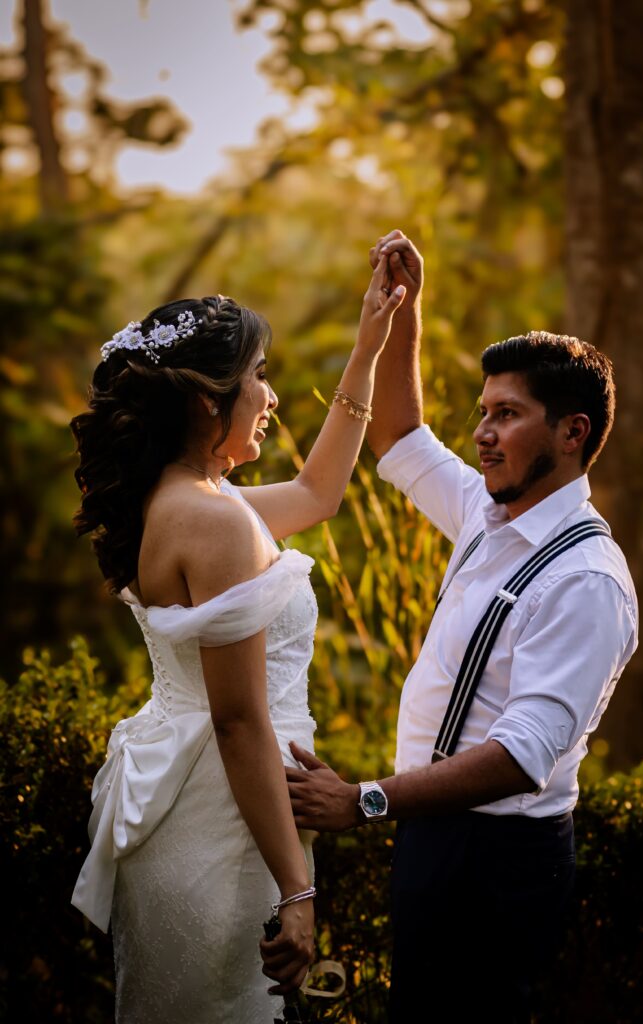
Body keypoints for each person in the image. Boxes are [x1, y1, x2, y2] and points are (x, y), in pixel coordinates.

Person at [286, 231, 639, 1023]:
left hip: (501, 861)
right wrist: (406, 317)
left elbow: (521, 756)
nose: (482, 432)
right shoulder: (487, 514)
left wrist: (366, 801)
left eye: (506, 415)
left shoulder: (584, 580)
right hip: (435, 839)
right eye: (483, 412)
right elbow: (402, 440)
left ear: (573, 433)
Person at [69, 258, 407, 1023]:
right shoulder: (216, 521)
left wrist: (369, 348)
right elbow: (239, 720)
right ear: (203, 397)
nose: (272, 396)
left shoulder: (184, 502)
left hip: (201, 800)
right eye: (259, 375)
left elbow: (320, 494)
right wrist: (299, 889)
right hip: (227, 819)